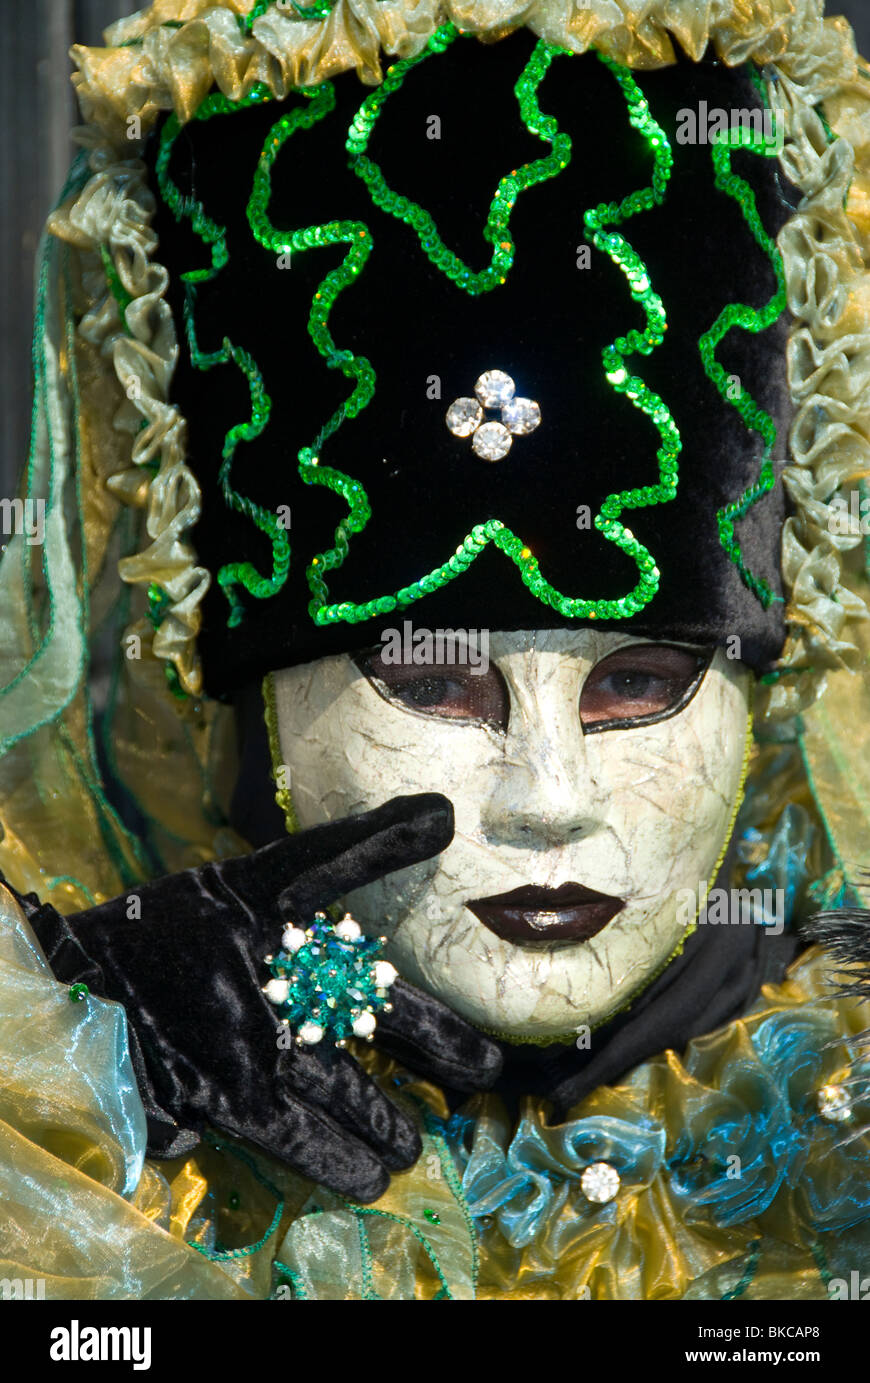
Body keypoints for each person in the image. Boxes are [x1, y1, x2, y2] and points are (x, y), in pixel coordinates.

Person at [1, 0, 869, 1300]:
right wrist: (70, 1058)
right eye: (432, 680)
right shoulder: (93, 1128)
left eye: (636, 679)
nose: (548, 799)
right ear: (229, 693)